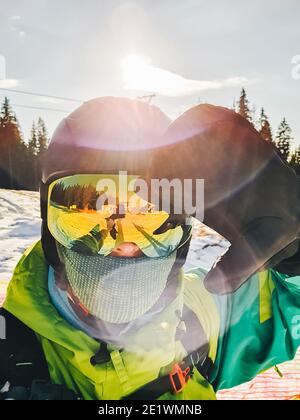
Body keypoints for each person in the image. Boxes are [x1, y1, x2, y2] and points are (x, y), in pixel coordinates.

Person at [0, 97, 299, 400]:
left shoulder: (200, 316)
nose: (126, 247)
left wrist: (294, 255)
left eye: (150, 213)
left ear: (183, 228)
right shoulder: (7, 347)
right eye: (89, 212)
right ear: (48, 222)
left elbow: (291, 305)